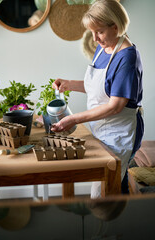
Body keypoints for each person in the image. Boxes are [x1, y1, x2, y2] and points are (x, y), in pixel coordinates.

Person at [51, 0, 144, 197]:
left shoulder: (127, 57)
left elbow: (115, 106)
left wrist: (74, 118)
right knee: (115, 185)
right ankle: (120, 224)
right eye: (92, 32)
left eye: (99, 32)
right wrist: (70, 84)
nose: (94, 38)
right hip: (100, 127)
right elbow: (100, 88)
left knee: (102, 194)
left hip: (119, 132)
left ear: (116, 27)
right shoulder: (104, 47)